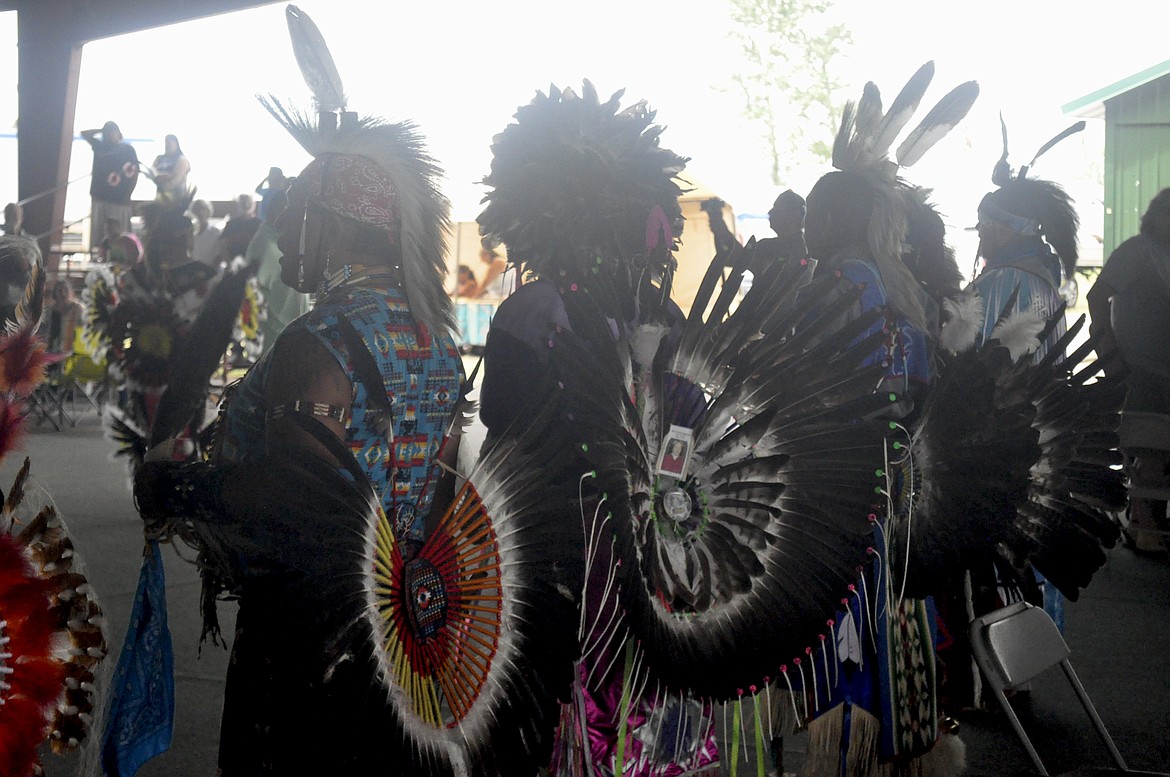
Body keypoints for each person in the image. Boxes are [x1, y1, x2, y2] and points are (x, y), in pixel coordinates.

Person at [133, 108, 462, 774]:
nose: (278, 228)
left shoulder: (318, 343)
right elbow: (438, 494)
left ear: (331, 225)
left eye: (290, 212)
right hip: (399, 630)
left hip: (303, 634)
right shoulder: (439, 341)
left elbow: (286, 495)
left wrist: (174, 485)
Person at [1087, 187, 1170, 554]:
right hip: (1140, 370)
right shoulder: (1137, 251)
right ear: (1156, 217)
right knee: (1150, 446)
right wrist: (1107, 351)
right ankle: (1143, 524)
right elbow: (1096, 296)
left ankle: (1150, 522)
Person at [247, 188, 309, 355]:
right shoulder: (265, 243)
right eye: (285, 209)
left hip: (292, 314)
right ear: (273, 210)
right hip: (275, 320)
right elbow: (254, 288)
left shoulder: (282, 237)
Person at [81, 121, 139, 251]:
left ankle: (122, 260)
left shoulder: (127, 149)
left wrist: (129, 194)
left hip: (119, 199)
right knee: (99, 233)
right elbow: (84, 134)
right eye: (108, 132)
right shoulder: (99, 146)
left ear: (119, 134)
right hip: (99, 197)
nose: (111, 135)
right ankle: (99, 257)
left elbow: (135, 173)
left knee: (120, 235)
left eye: (114, 132)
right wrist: (101, 129)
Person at [42, 279, 85, 354]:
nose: (63, 293)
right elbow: (45, 332)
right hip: (53, 350)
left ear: (71, 292)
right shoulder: (50, 312)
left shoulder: (78, 309)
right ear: (55, 294)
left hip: (74, 349)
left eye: (66, 290)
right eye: (60, 290)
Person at [218, 194, 261, 263]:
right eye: (243, 202)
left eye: (248, 202)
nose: (246, 205)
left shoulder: (260, 225)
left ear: (254, 204)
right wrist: (229, 263)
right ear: (238, 205)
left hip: (254, 265)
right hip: (233, 264)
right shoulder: (230, 224)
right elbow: (223, 246)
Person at [150, 134, 191, 201]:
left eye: (169, 143)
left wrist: (160, 176)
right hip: (160, 197)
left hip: (177, 199)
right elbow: (151, 174)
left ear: (176, 144)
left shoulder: (182, 160)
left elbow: (176, 179)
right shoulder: (159, 159)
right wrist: (166, 176)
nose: (167, 146)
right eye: (166, 143)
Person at [189, 198, 222, 267]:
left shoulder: (216, 232)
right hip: (192, 272)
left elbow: (219, 255)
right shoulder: (189, 233)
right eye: (196, 210)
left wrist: (208, 271)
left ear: (208, 212)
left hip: (213, 273)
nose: (200, 213)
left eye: (203, 209)